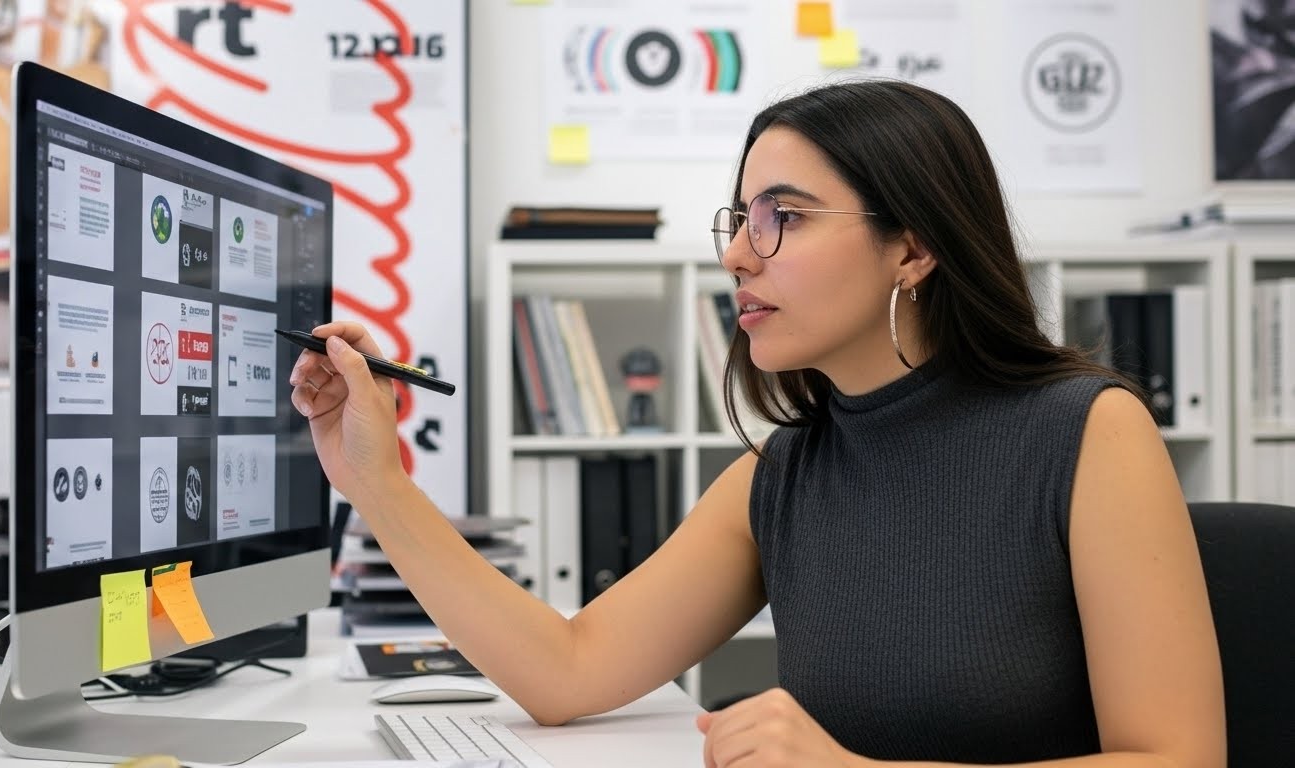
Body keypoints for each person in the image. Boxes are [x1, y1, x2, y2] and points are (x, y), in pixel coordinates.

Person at [289, 80, 1225, 768]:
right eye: (740, 219)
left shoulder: (1087, 433)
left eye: (785, 217)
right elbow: (565, 672)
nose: (737, 253)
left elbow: (1178, 759)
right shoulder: (780, 476)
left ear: (912, 248)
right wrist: (375, 480)